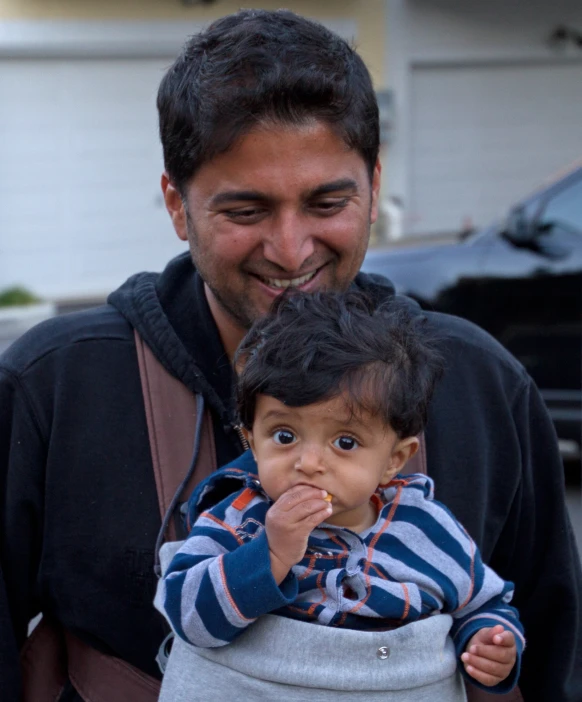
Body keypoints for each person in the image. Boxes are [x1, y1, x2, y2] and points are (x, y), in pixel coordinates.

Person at [0, 8, 579, 702]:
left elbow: (553, 653)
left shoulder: (483, 384)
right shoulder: (53, 387)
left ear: (372, 188)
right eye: (245, 212)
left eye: (327, 201)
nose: (291, 248)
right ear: (177, 206)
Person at [156, 290, 525, 700]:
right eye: (284, 435)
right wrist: (270, 556)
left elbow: (483, 603)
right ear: (252, 441)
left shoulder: (427, 529)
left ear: (394, 459)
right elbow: (187, 617)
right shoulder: (237, 521)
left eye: (345, 442)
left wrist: (490, 643)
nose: (309, 462)